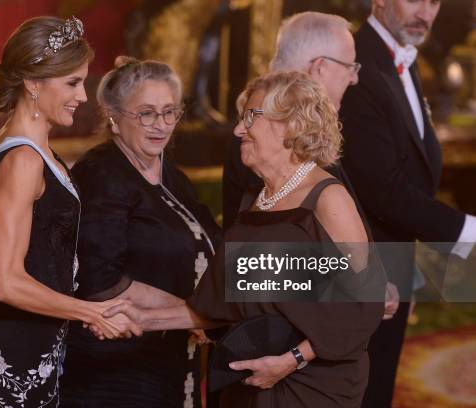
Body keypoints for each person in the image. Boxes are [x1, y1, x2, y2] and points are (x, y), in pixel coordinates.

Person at [106, 71, 384, 408]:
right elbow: (220, 305)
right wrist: (139, 318)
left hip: (312, 385)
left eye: (250, 116)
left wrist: (291, 360)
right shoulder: (255, 199)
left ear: (291, 125)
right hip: (248, 377)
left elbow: (364, 305)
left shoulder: (327, 199)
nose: (239, 129)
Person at [0, 17, 139, 408]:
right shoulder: (23, 161)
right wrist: (92, 313)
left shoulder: (32, 151)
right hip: (16, 358)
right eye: (72, 82)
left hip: (43, 348)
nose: (83, 95)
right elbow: (6, 283)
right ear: (33, 82)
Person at [59, 57, 222, 408]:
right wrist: (191, 312)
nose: (160, 125)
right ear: (114, 117)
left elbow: (211, 242)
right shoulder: (101, 174)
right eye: (146, 113)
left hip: (174, 354)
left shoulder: (170, 173)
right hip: (115, 370)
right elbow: (99, 279)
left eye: (169, 112)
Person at [339, 2, 476, 407]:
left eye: (434, 1)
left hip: (394, 260)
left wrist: (409, 264)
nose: (426, 12)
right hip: (358, 269)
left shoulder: (402, 56)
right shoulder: (356, 61)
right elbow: (378, 186)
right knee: (362, 391)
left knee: (379, 386)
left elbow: (411, 164)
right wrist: (465, 231)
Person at [223, 11, 359, 229]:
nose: (354, 78)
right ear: (320, 67)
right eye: (350, 66)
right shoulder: (264, 142)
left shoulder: (293, 136)